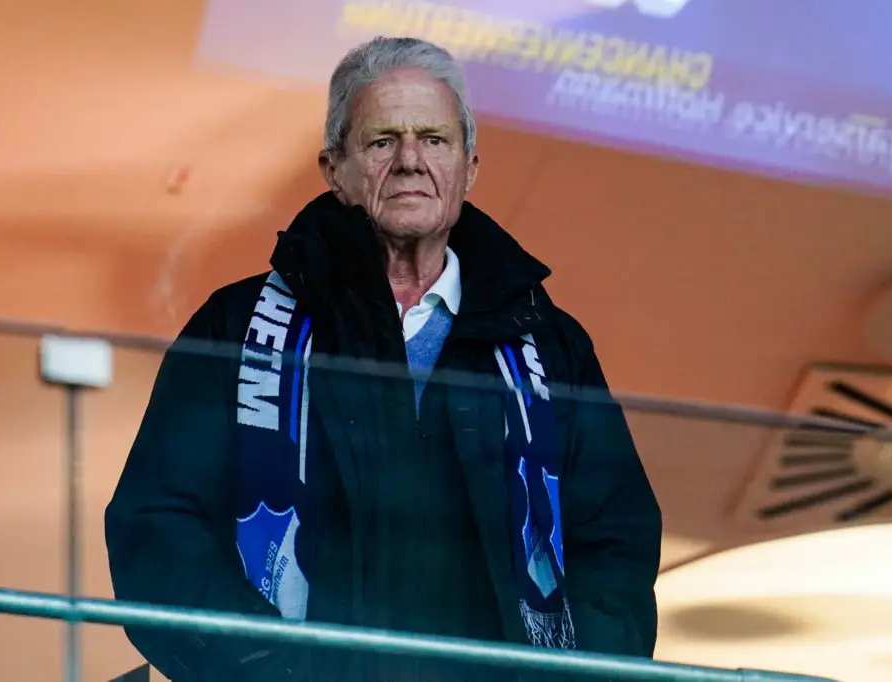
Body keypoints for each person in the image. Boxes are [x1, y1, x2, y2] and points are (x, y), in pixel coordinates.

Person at [105, 36, 661, 682]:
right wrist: (264, 671)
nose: (410, 161)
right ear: (334, 169)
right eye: (381, 142)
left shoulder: (550, 344)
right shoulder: (236, 326)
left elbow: (615, 544)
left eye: (434, 139)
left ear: (469, 167)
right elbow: (159, 528)